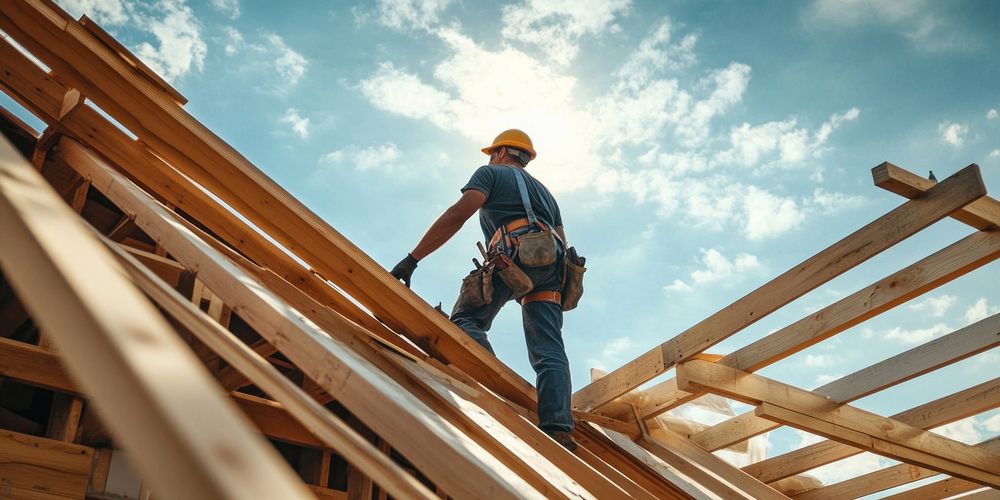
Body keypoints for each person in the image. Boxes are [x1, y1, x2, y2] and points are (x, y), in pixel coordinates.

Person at [389, 129, 577, 451]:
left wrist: (412, 259)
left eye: (492, 153)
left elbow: (458, 214)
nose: (490, 158)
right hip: (552, 266)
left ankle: (493, 386)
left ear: (502, 152)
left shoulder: (490, 174)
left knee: (466, 319)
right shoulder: (547, 194)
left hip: (513, 255)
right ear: (526, 157)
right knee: (549, 349)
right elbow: (562, 240)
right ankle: (558, 428)